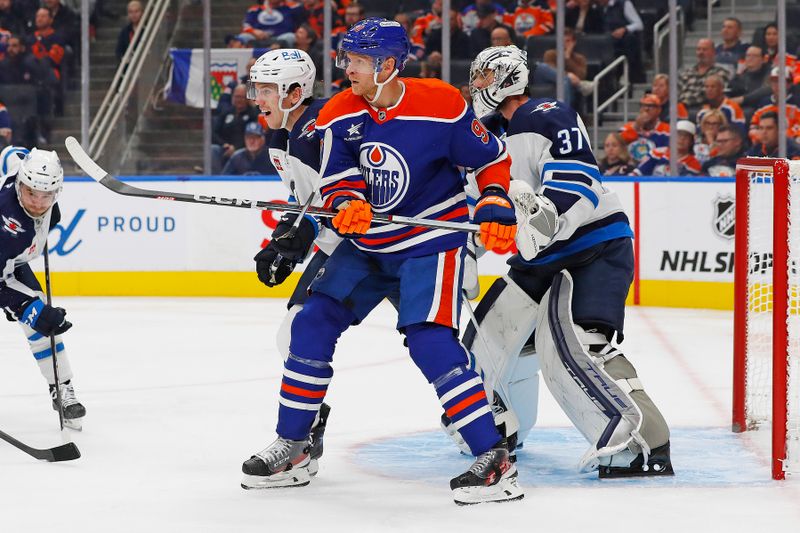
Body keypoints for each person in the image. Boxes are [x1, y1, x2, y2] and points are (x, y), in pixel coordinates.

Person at [241, 19, 523, 506]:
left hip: (430, 243)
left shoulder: (440, 103)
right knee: (311, 324)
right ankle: (294, 445)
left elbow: (489, 158)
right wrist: (347, 199)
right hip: (369, 245)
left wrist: (495, 200)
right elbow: (337, 178)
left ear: (388, 65)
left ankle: (493, 458)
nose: (345, 67)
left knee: (430, 341)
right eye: (345, 58)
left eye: (355, 60)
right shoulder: (338, 112)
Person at [465, 44, 672, 478]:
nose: (476, 85)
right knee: (484, 344)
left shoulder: (547, 113)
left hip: (591, 248)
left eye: (484, 76)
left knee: (579, 348)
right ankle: (498, 433)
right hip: (537, 261)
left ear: (507, 79)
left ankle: (642, 444)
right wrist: (469, 248)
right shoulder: (484, 136)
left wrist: (545, 215)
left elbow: (580, 177)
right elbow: (480, 206)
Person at [244, 48, 340, 486]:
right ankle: (303, 438)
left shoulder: (323, 128)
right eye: (257, 88)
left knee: (435, 338)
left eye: (266, 89)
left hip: (385, 245)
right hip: (338, 248)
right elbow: (309, 200)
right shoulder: (281, 135)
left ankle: (488, 420)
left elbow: (346, 197)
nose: (257, 98)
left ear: (295, 91)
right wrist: (285, 239)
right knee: (293, 333)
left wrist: (299, 234)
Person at [0, 146, 86, 430]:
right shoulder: (11, 227)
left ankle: (61, 386)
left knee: (41, 322)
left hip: (9, 263)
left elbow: (11, 152)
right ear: (20, 187)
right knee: (36, 314)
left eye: (46, 195)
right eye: (31, 194)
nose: (37, 202)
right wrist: (26, 308)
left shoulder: (19, 170)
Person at [634, 120, 701, 176]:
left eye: (686, 137)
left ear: (691, 141)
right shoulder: (656, 153)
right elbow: (638, 173)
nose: (681, 139)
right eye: (678, 135)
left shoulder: (694, 164)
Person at [678, 38, 730, 108]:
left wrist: (685, 101)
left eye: (704, 49)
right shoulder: (686, 73)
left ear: (713, 52)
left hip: (706, 109)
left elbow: (708, 95)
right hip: (682, 108)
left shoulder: (720, 73)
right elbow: (677, 92)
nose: (701, 52)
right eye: (698, 49)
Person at [618, 94, 670, 164]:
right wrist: (636, 127)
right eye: (643, 105)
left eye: (651, 106)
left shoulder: (667, 130)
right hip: (630, 168)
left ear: (659, 110)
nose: (646, 109)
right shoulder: (627, 128)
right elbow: (616, 145)